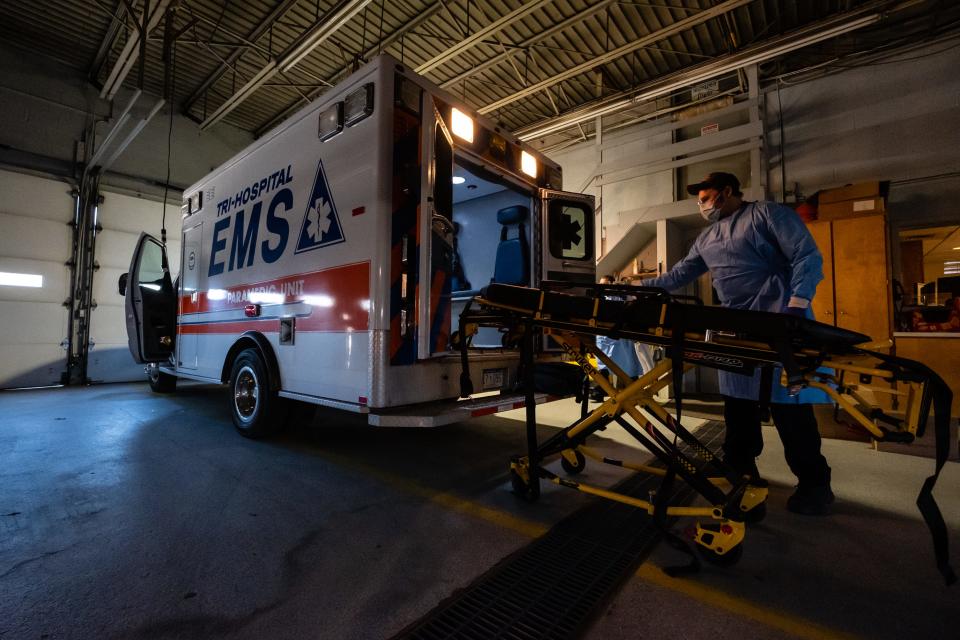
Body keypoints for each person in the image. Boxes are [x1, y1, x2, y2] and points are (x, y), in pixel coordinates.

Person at [643, 172, 834, 515]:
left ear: (725, 192)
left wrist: (797, 303)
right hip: (736, 326)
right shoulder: (707, 238)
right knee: (738, 405)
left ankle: (815, 484)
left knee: (791, 411)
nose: (701, 205)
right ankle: (741, 471)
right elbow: (678, 276)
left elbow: (807, 256)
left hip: (778, 318)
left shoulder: (768, 215)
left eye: (704, 197)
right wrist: (641, 290)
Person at [592, 275, 644, 400]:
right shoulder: (600, 298)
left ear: (611, 283)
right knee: (603, 364)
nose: (602, 287)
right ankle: (601, 389)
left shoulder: (622, 296)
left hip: (619, 335)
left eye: (604, 284)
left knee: (627, 364)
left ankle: (634, 389)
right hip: (604, 335)